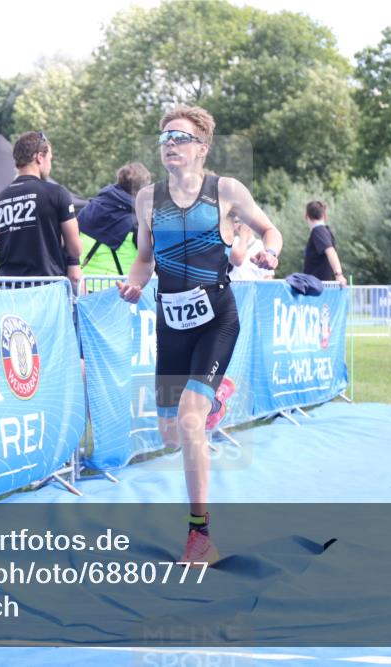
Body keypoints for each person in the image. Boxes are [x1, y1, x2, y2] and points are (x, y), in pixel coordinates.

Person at [117, 105, 282, 565]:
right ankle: (216, 396)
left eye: (180, 137)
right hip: (171, 323)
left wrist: (269, 252)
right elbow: (145, 258)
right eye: (164, 137)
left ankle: (199, 535)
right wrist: (134, 283)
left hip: (217, 319)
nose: (170, 144)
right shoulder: (147, 199)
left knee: (191, 420)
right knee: (170, 434)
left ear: (202, 148)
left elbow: (270, 230)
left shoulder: (225, 191)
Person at [0, 131, 82, 289]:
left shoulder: (1, 199)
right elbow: (75, 249)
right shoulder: (56, 193)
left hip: (11, 290)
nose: (50, 165)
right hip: (46, 289)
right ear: (40, 157)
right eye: (50, 159)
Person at [78, 162, 152, 276]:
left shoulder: (89, 208)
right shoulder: (138, 221)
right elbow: (150, 258)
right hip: (121, 284)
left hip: (83, 282)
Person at [302, 201, 347, 287]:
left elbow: (331, 252)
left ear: (306, 216)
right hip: (317, 286)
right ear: (324, 216)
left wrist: (339, 275)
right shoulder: (325, 231)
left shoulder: (319, 231)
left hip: (317, 287)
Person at [228, 217, 273, 281]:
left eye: (243, 221)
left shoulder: (262, 246)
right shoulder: (230, 243)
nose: (240, 224)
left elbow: (268, 276)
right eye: (236, 222)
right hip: (232, 285)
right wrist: (243, 235)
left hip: (256, 286)